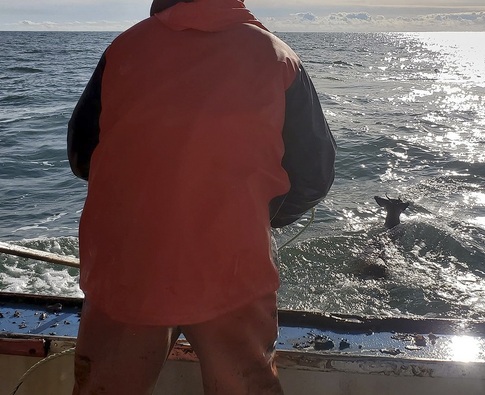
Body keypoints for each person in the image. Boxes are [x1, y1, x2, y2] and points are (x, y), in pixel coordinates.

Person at [67, 0, 336, 393]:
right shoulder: (276, 56)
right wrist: (260, 218)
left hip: (125, 264)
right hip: (232, 266)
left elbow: (81, 155)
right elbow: (315, 173)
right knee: (244, 384)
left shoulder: (124, 48)